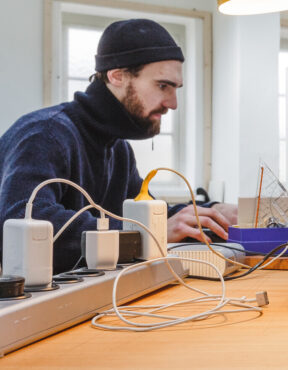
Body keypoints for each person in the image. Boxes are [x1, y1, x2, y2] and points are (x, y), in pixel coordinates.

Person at [0, 19, 237, 274]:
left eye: (175, 88)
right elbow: (26, 223)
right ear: (117, 76)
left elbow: (145, 215)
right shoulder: (46, 134)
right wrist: (148, 234)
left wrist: (212, 214)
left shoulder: (118, 149)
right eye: (162, 86)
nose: (172, 103)